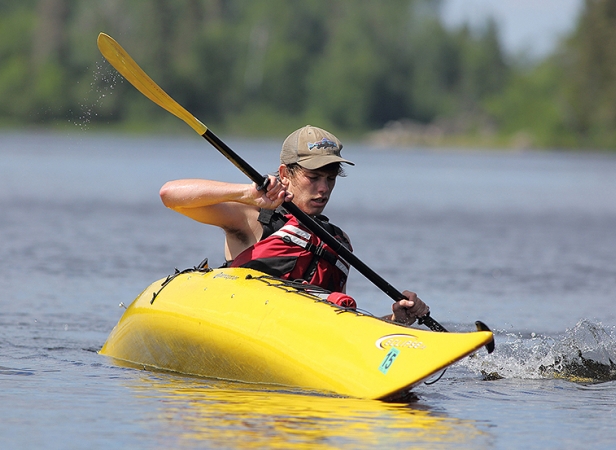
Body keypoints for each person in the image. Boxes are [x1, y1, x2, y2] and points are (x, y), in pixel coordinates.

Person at [159, 125, 429, 325]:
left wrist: (395, 320)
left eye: (330, 179)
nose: (323, 189)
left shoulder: (337, 240)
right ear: (285, 174)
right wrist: (246, 193)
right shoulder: (251, 217)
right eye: (313, 177)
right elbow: (170, 195)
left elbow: (339, 322)